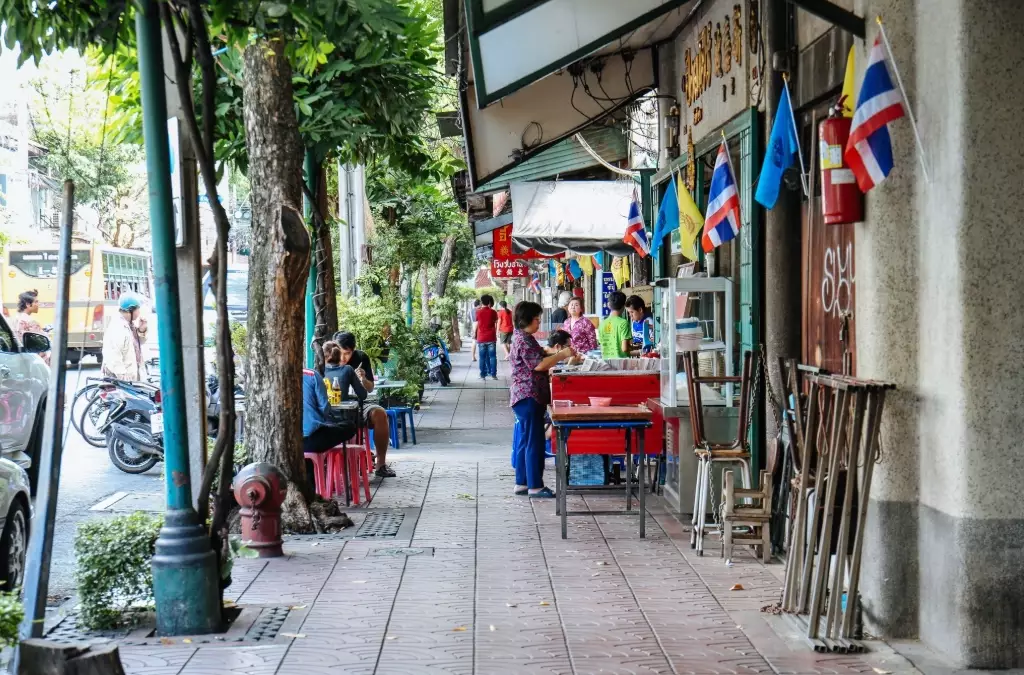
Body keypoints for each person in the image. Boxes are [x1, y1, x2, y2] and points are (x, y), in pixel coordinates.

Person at [509, 301, 574, 497]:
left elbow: (541, 352)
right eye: (537, 319)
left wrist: (555, 352)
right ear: (526, 320)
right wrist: (562, 353)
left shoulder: (524, 338)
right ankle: (535, 486)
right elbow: (538, 364)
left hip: (525, 396)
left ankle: (522, 482)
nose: (539, 323)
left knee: (525, 440)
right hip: (529, 396)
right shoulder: (523, 340)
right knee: (534, 442)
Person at [329, 331, 396, 478]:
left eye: (347, 353)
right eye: (339, 353)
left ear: (353, 350)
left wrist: (363, 378)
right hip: (333, 406)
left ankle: (381, 465)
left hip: (359, 403)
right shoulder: (327, 357)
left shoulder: (361, 357)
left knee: (380, 414)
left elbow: (370, 388)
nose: (343, 357)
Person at [302, 367, 357, 456]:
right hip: (312, 441)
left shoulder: (275, 378)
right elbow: (324, 408)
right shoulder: (312, 375)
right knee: (349, 426)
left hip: (286, 443)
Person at [102, 293, 148, 381]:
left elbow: (136, 345)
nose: (139, 312)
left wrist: (142, 330)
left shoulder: (129, 325)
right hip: (122, 379)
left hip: (132, 374)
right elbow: (113, 355)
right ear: (130, 310)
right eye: (138, 309)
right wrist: (122, 375)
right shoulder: (118, 328)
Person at [13, 290, 50, 365]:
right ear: (28, 304)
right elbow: (42, 342)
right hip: (35, 360)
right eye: (36, 302)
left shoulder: (16, 318)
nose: (38, 304)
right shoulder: (31, 322)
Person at [598, 291, 632, 359]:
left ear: (609, 305)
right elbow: (624, 349)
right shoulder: (623, 323)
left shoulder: (602, 324)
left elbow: (601, 345)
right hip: (621, 364)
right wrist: (636, 349)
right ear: (624, 306)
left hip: (606, 363)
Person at [475, 294, 499, 380]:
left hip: (481, 337)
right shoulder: (493, 312)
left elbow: (477, 322)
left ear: (481, 302)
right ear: (489, 302)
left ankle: (482, 375)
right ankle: (493, 375)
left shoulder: (478, 311)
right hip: (491, 337)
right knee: (493, 357)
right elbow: (496, 322)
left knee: (482, 357)